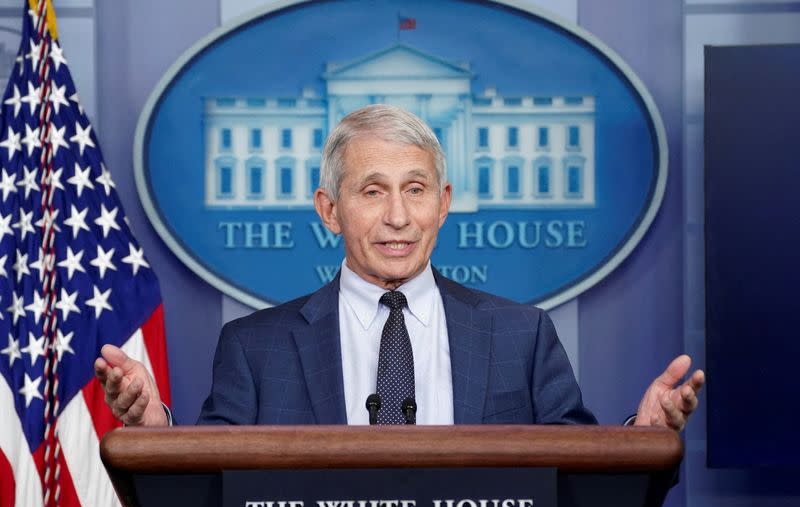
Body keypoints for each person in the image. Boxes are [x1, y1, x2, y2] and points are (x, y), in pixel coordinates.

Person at [94, 104, 704, 429]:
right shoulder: (255, 348)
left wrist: (641, 441)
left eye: (415, 190)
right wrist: (154, 425)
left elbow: (579, 479)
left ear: (443, 205)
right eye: (372, 191)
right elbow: (210, 485)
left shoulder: (522, 335)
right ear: (329, 210)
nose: (397, 217)